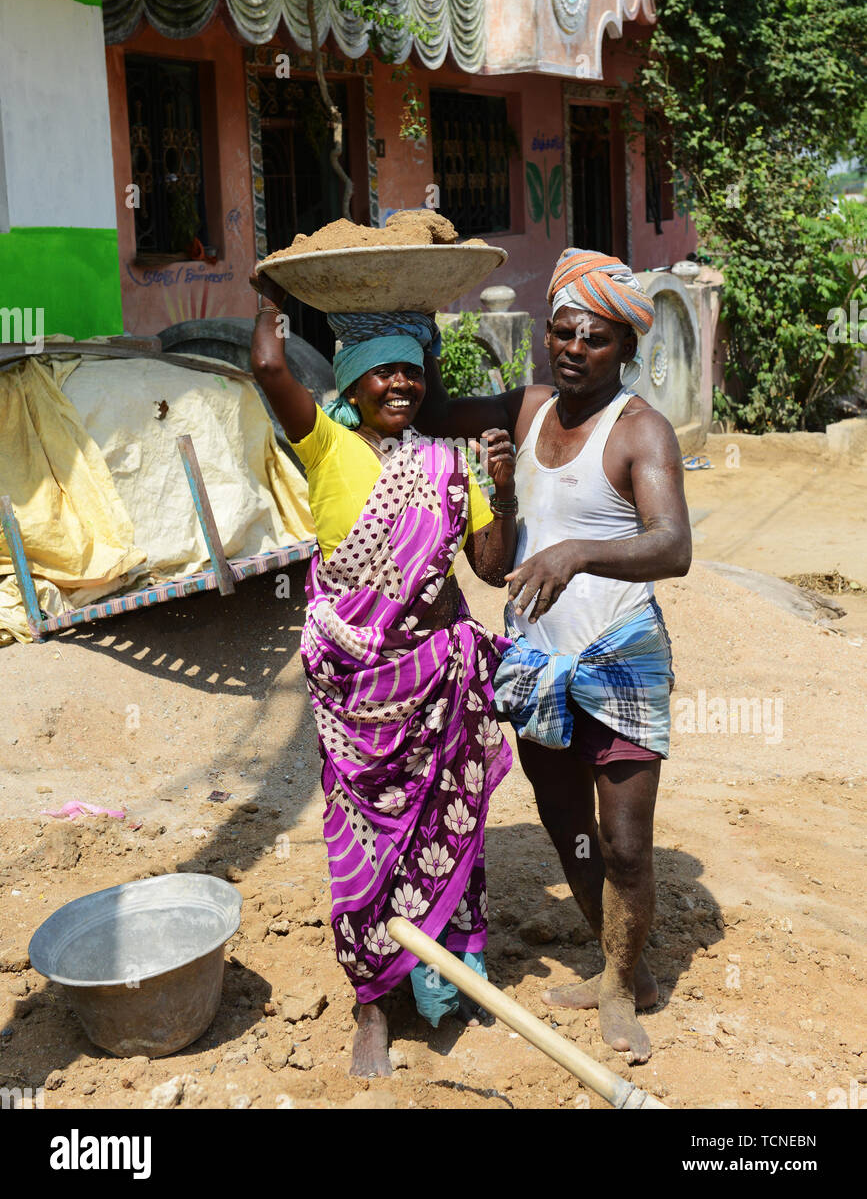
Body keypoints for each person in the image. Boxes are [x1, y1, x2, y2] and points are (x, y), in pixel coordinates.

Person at [417, 247, 691, 1064]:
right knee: (565, 823)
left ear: (625, 349)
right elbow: (432, 412)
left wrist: (574, 553)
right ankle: (620, 974)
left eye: (595, 339)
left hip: (618, 654)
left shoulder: (638, 429)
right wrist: (411, 321)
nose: (573, 349)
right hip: (536, 659)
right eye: (562, 333)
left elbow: (671, 545)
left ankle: (619, 982)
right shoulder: (530, 407)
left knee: (625, 843)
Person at [249, 267, 517, 1077]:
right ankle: (371, 1003)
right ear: (352, 381)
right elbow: (267, 366)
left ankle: (443, 980)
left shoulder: (446, 460)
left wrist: (501, 491)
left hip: (439, 682)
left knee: (448, 834)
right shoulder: (324, 445)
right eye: (382, 369)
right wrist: (267, 292)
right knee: (362, 848)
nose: (399, 382)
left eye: (411, 369)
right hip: (359, 694)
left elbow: (492, 568)